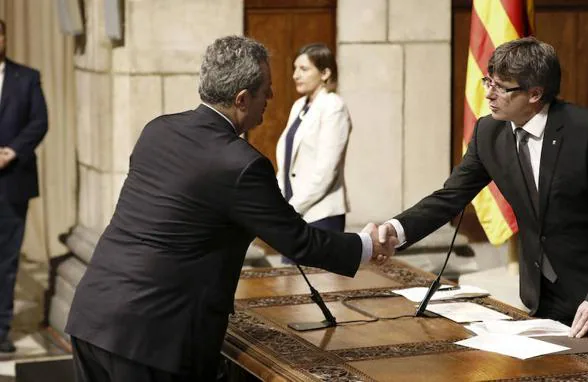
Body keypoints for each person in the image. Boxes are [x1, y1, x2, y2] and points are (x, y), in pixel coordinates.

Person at [65, 35, 396, 382]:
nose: (270, 97)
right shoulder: (241, 164)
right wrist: (368, 244)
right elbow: (300, 242)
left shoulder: (157, 130)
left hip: (93, 317)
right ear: (241, 99)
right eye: (265, 89)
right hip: (153, 339)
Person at [376, 37, 588, 349]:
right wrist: (394, 230)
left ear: (535, 93)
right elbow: (449, 197)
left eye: (501, 87)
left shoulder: (587, 131)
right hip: (542, 296)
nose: (489, 94)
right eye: (487, 81)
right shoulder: (488, 132)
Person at [0, 19, 48, 353]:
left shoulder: (27, 77)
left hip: (12, 182)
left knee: (6, 262)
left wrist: (11, 152)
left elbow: (39, 121)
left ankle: (0, 333)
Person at [277, 43, 350, 233]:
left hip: (320, 215)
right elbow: (287, 165)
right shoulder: (299, 105)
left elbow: (326, 170)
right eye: (295, 69)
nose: (295, 75)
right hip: (293, 213)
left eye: (303, 69)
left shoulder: (333, 106)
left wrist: (293, 208)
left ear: (325, 73)